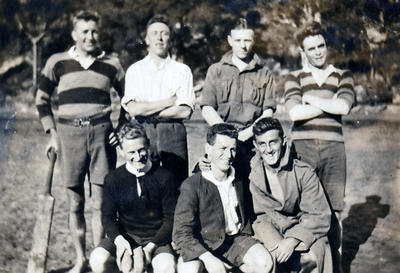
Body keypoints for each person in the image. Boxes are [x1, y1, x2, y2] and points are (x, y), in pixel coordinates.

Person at [35, 10, 125, 273]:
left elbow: (128, 99)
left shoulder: (112, 64)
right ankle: (79, 260)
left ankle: (98, 261)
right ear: (74, 34)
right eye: (84, 31)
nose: (90, 36)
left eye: (94, 31)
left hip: (101, 138)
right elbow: (41, 100)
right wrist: (51, 133)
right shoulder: (57, 62)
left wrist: (118, 129)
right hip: (68, 138)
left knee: (100, 204)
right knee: (75, 204)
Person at [283, 22, 355, 273]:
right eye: (311, 48)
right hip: (303, 147)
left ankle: (336, 267)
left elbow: (344, 107)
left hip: (334, 149)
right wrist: (329, 103)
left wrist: (311, 98)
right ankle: (310, 263)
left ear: (327, 46)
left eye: (321, 46)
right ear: (303, 51)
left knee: (334, 210)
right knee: (305, 207)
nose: (317, 52)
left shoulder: (342, 75)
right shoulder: (294, 77)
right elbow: (294, 113)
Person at [173, 123, 273, 273]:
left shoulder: (239, 178)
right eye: (223, 148)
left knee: (264, 262)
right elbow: (180, 233)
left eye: (232, 149)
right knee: (190, 270)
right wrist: (208, 258)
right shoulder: (192, 185)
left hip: (234, 241)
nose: (228, 155)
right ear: (208, 149)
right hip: (203, 244)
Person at [89, 122, 178, 273]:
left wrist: (150, 248)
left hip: (156, 239)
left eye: (141, 150)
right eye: (131, 152)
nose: (138, 157)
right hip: (126, 235)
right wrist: (120, 240)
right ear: (121, 151)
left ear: (148, 145)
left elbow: (170, 219)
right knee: (98, 259)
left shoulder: (165, 177)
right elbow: (107, 217)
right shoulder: (113, 178)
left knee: (166, 266)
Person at [249, 118, 332, 273]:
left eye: (273, 142)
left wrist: (293, 239)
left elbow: (319, 215)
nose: (268, 150)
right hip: (268, 227)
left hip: (302, 226)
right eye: (262, 144)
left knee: (312, 257)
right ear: (256, 146)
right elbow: (219, 161)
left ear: (283, 141)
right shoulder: (253, 173)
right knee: (273, 258)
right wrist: (203, 162)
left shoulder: (303, 172)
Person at [121, 14, 195, 186]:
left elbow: (184, 110)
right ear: (146, 39)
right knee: (145, 184)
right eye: (154, 33)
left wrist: (147, 109)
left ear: (170, 39)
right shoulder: (135, 70)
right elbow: (133, 109)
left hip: (174, 133)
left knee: (176, 186)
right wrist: (168, 102)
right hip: (144, 131)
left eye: (164, 33)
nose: (160, 38)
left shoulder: (182, 70)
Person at [198, 18, 275, 177]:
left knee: (251, 193)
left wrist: (245, 134)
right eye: (238, 40)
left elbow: (268, 113)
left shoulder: (264, 73)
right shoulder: (216, 70)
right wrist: (228, 134)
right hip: (221, 142)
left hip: (252, 144)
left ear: (253, 41)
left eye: (247, 40)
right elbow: (207, 108)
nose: (243, 45)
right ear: (229, 40)